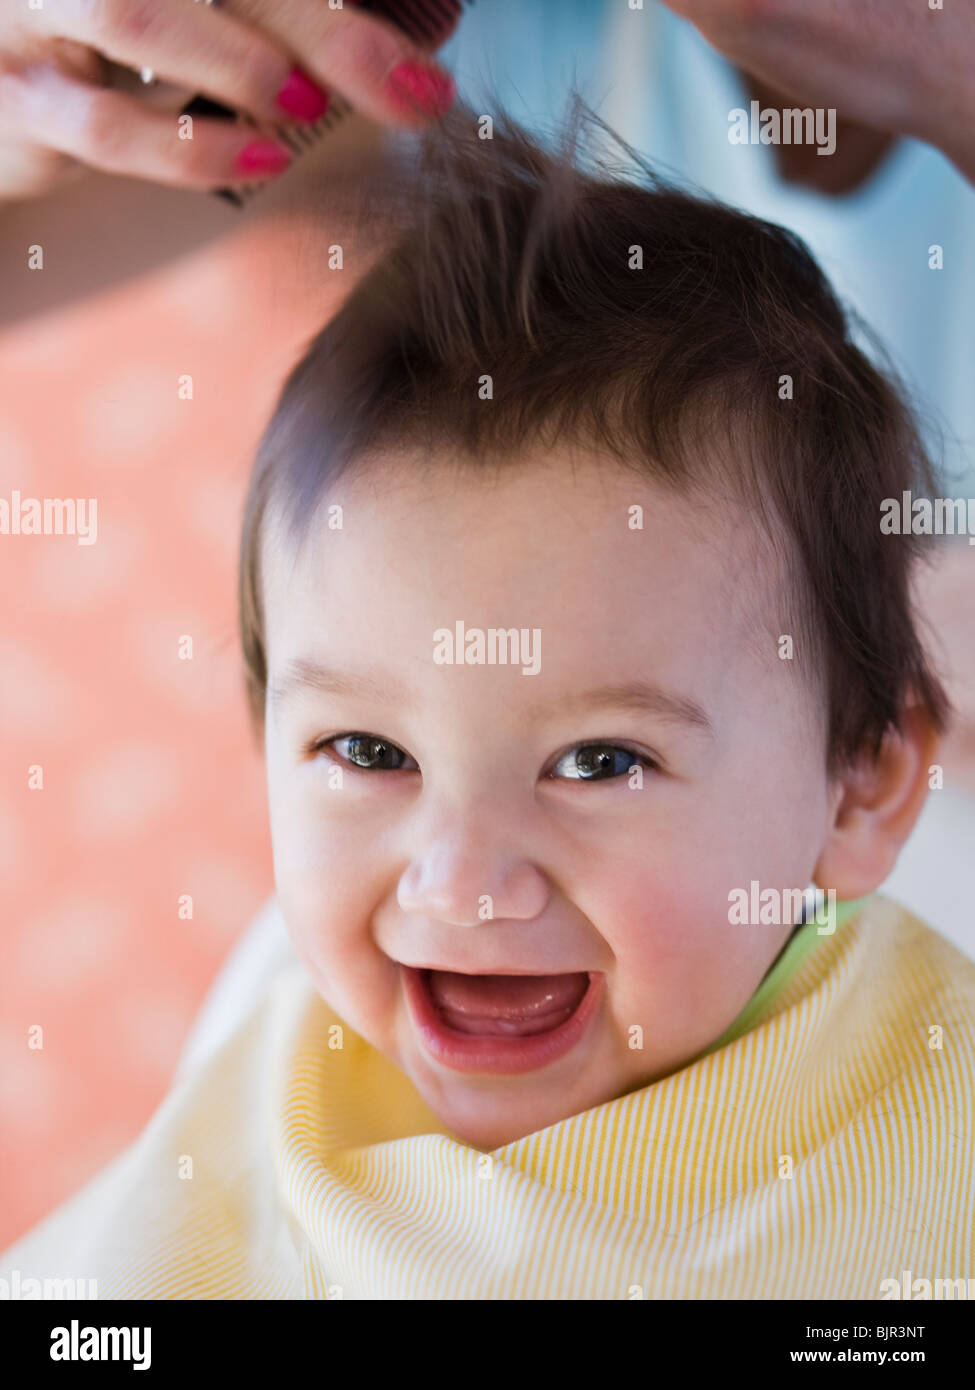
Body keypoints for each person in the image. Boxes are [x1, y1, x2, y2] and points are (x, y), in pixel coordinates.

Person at [2, 96, 972, 1298]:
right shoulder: (263, 1119)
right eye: (367, 748)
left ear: (862, 783)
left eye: (601, 761)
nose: (460, 879)